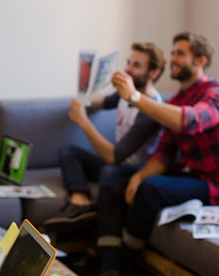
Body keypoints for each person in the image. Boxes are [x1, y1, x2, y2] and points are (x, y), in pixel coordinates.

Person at [96, 32, 219, 275]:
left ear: (200, 61)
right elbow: (164, 153)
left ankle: (126, 263)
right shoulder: (176, 100)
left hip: (216, 184)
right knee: (114, 186)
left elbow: (191, 121)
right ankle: (108, 269)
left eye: (180, 53)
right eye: (173, 52)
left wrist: (134, 96)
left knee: (150, 189)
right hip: (188, 176)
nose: (172, 58)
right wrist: (139, 176)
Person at [42, 42, 166, 230]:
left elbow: (112, 156)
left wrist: (83, 121)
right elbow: (103, 102)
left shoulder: (151, 110)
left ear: (154, 73)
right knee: (68, 151)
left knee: (109, 171)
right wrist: (86, 98)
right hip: (118, 164)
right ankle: (80, 202)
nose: (128, 69)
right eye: (129, 62)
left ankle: (94, 227)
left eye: (136, 65)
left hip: (136, 170)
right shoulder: (126, 95)